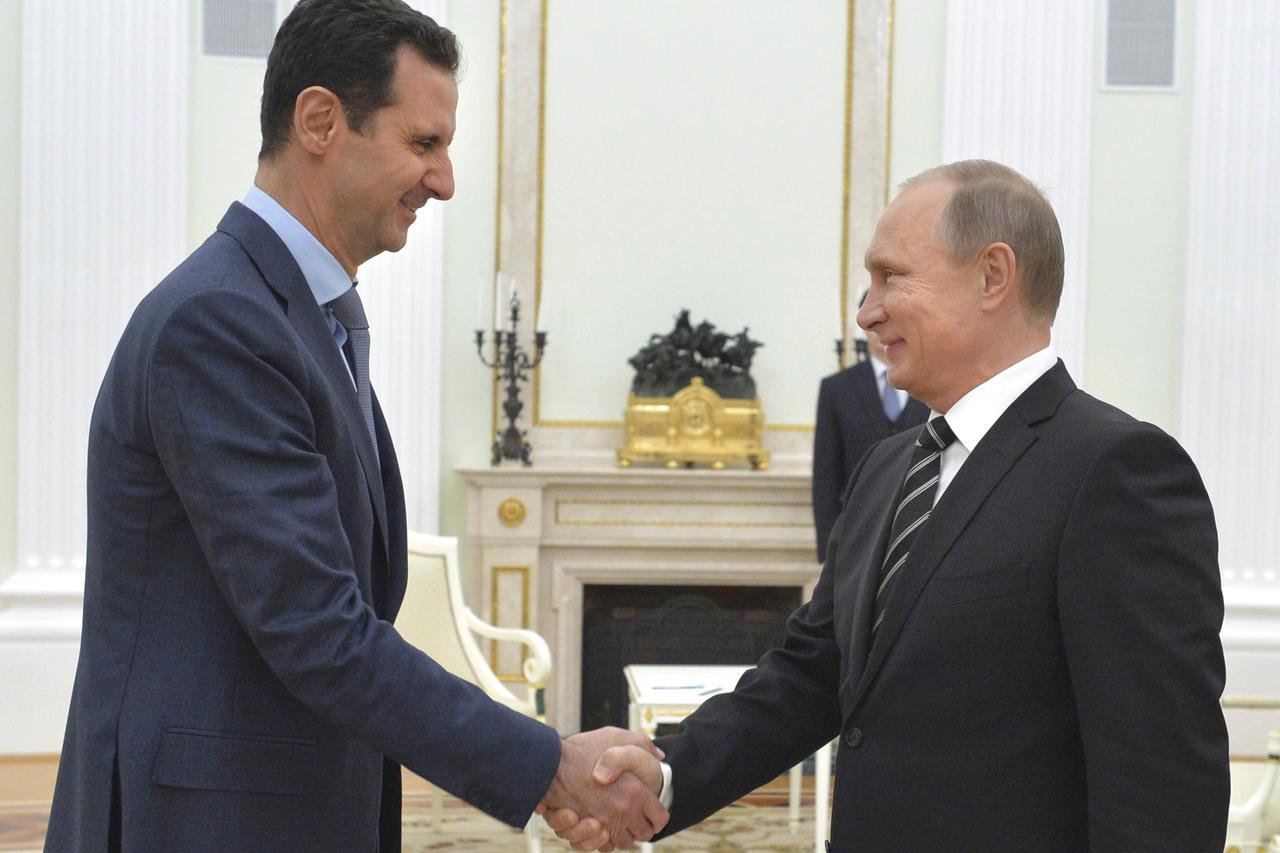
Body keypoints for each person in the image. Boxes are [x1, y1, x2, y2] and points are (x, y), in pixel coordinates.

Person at [44, 2, 663, 851]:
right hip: (208, 823)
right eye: (423, 144)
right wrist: (545, 763)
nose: (444, 180)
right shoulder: (222, 323)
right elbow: (318, 627)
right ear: (321, 121)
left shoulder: (297, 316)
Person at [548, 160, 1231, 851]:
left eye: (891, 276)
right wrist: (666, 776)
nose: (866, 311)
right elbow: (808, 676)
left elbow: (1161, 778)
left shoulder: (1117, 471)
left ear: (993, 275)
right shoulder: (887, 467)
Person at [812, 317, 928, 562]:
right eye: (877, 321)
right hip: (857, 530)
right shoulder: (837, 388)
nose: (884, 329)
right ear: (865, 327)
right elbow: (826, 474)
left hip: (920, 528)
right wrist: (827, 550)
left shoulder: (932, 380)